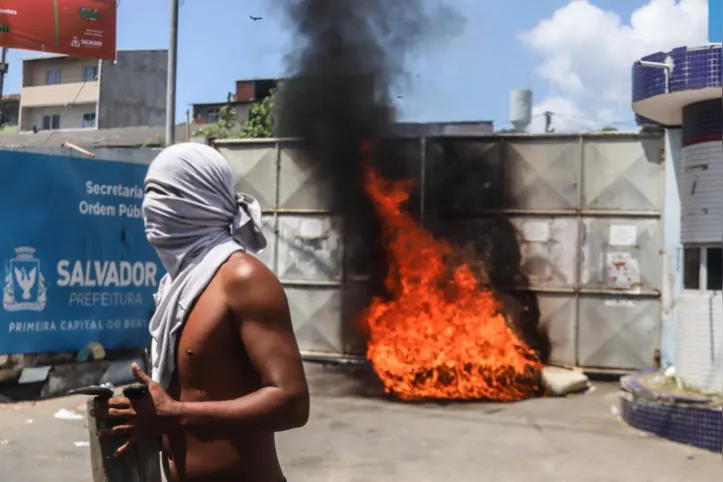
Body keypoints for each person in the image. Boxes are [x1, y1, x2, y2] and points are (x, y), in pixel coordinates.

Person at [98, 143, 309, 482]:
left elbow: (293, 403)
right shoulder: (174, 286)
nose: (151, 207)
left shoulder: (243, 278)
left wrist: (176, 414)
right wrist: (147, 421)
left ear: (202, 199)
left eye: (165, 193)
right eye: (148, 193)